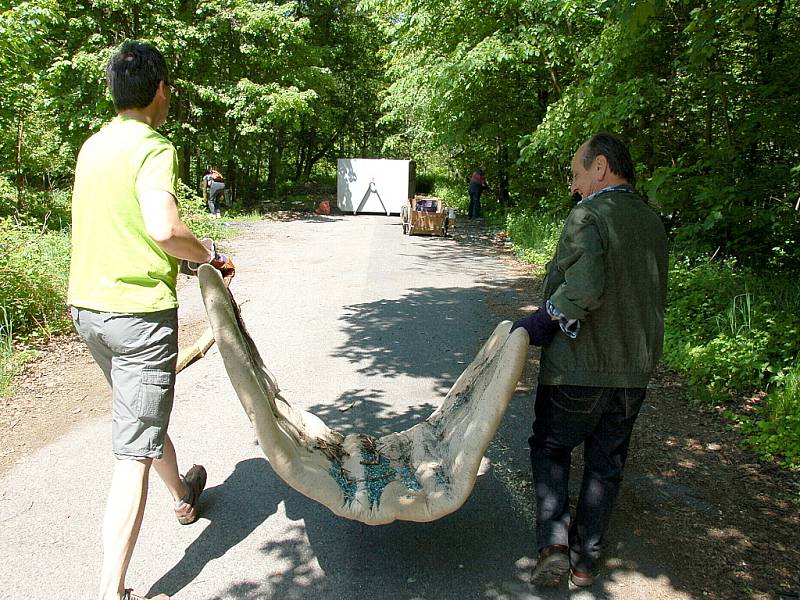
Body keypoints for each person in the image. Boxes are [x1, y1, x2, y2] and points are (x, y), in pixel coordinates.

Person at [68, 41, 235, 600]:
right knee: (132, 452)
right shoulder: (152, 146)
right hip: (137, 315)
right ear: (160, 90)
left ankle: (183, 493)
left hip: (86, 310)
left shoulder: (93, 146)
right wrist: (208, 253)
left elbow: (120, 226)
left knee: (142, 413)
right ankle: (109, 590)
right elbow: (163, 229)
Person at [511, 133, 668, 588]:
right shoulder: (652, 222)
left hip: (579, 368)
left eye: (577, 175)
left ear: (600, 167)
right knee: (607, 462)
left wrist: (544, 320)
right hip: (634, 371)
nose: (575, 187)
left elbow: (584, 288)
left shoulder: (589, 215)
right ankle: (584, 562)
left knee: (552, 447)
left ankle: (554, 546)